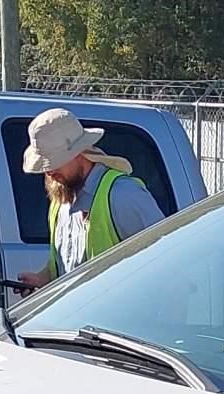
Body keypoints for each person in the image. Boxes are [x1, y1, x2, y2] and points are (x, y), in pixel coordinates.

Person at [20, 107, 164, 285]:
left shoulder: (122, 195)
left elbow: (165, 262)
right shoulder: (60, 201)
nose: (49, 172)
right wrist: (41, 279)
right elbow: (64, 267)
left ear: (79, 153)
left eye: (55, 162)